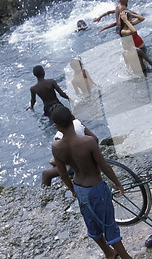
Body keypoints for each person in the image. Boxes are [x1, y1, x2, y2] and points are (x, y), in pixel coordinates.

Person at [50, 106, 132, 259]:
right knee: (109, 225)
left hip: (80, 188)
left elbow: (63, 175)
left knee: (92, 225)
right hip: (96, 188)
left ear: (56, 125)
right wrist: (117, 183)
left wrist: (72, 190)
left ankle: (109, 253)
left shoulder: (56, 147)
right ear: (73, 119)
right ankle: (126, 257)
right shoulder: (88, 142)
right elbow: (104, 166)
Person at [42, 116, 98, 186]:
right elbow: (95, 139)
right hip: (89, 158)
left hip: (76, 166)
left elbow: (67, 160)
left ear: (56, 125)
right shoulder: (78, 123)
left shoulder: (58, 138)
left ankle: (46, 192)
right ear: (72, 118)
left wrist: (54, 162)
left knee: (46, 173)